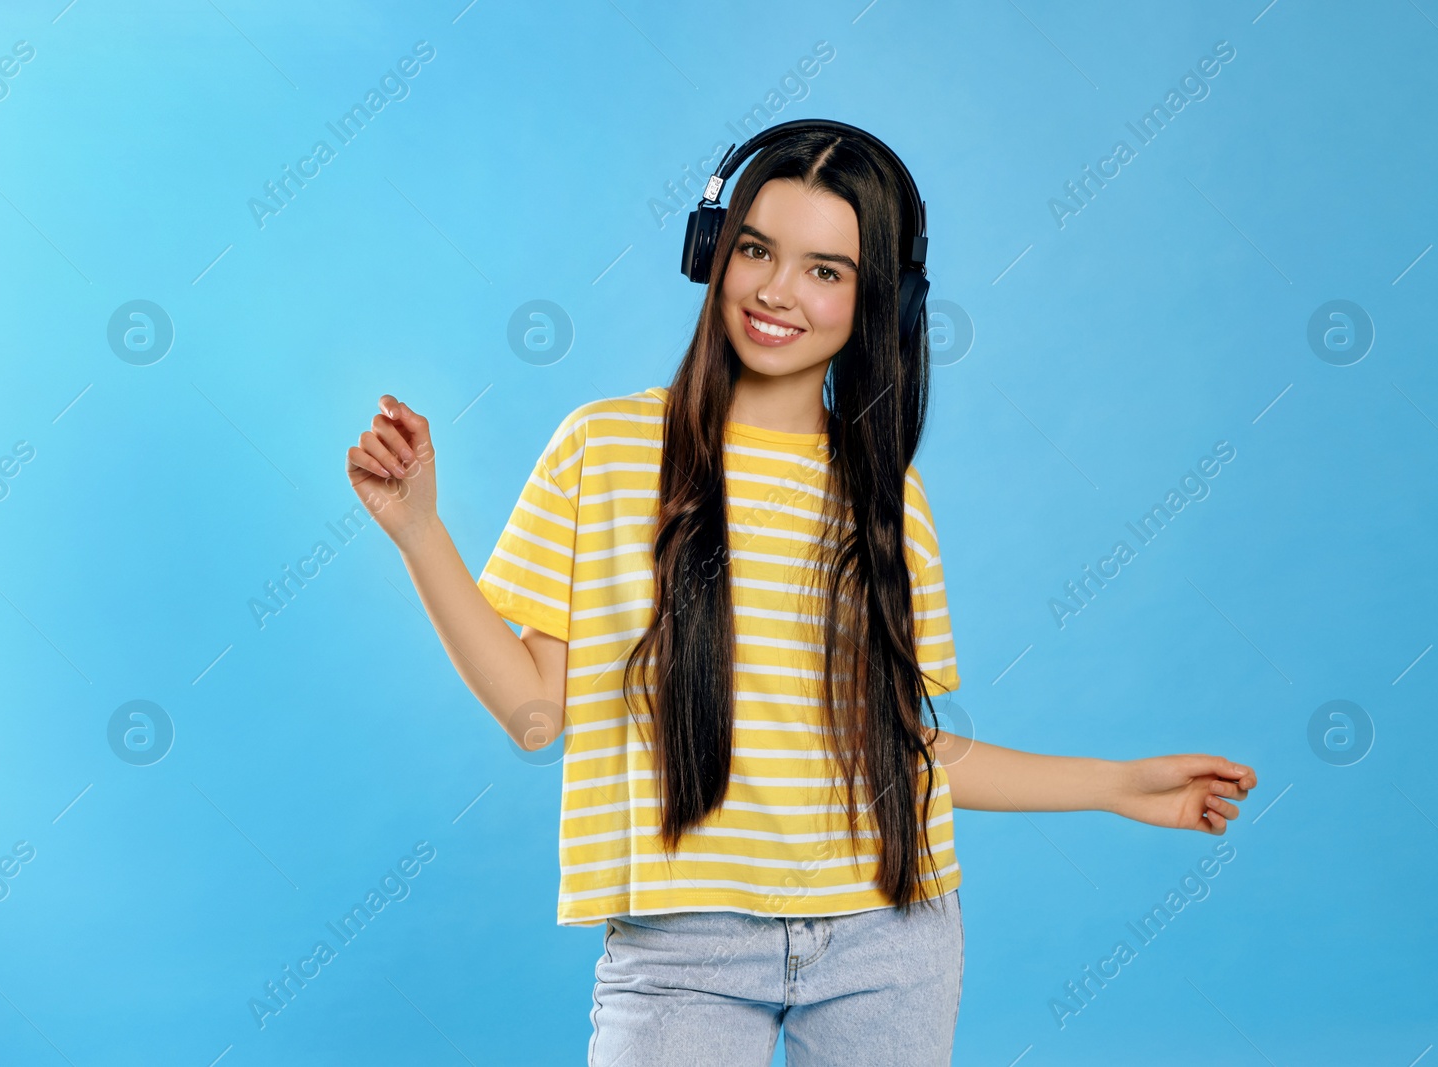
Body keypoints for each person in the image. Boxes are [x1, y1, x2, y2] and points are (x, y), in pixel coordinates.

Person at [346, 122, 1258, 1066]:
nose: (778, 291)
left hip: (890, 936)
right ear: (712, 254)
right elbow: (537, 710)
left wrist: (1114, 786)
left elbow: (904, 749)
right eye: (755, 250)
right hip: (683, 942)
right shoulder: (607, 449)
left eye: (826, 270)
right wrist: (418, 529)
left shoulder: (888, 494)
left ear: (877, 300)